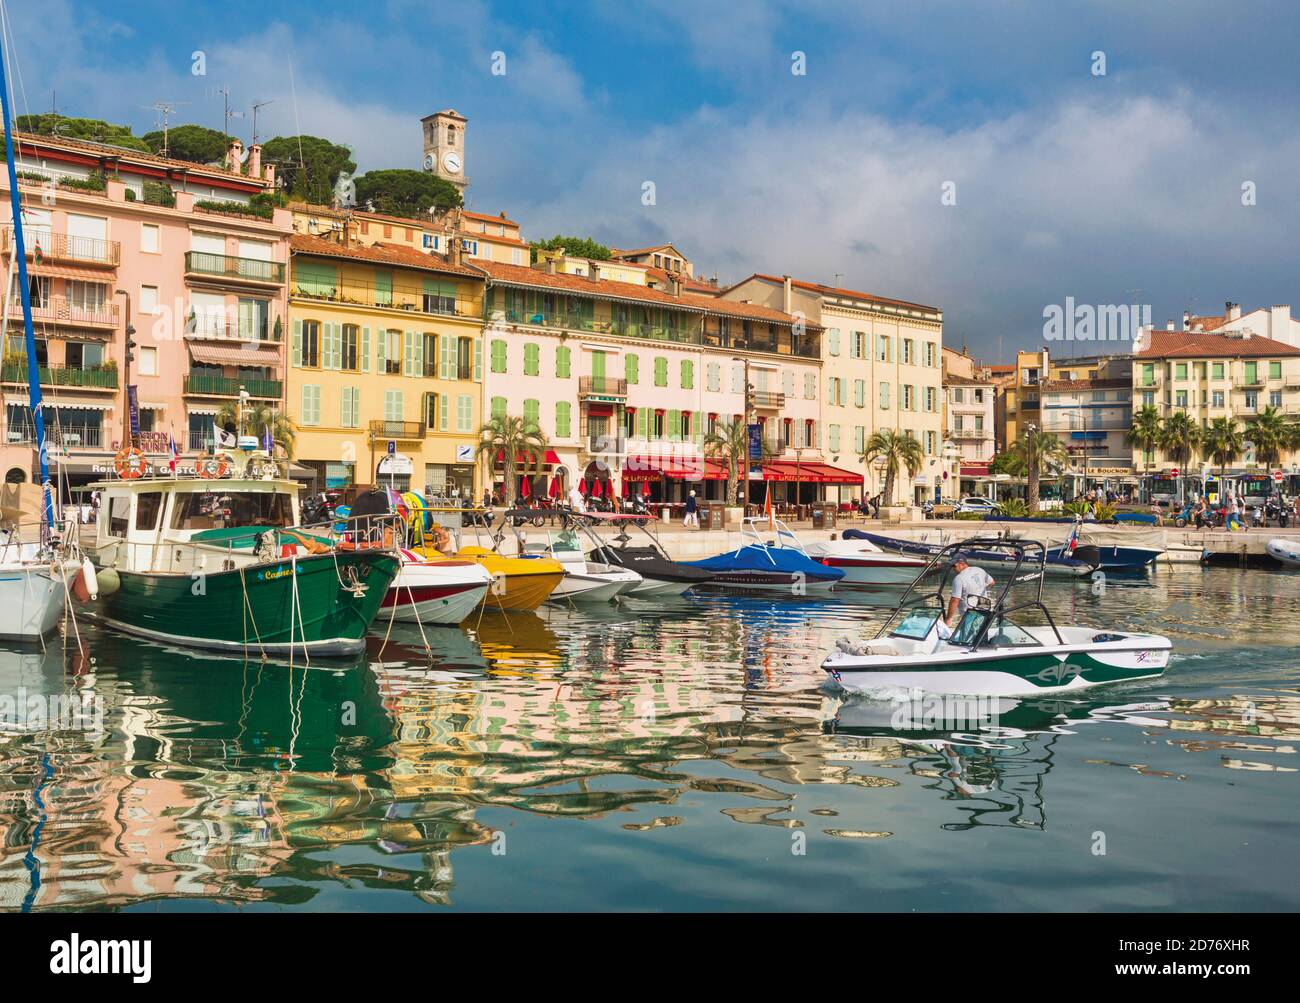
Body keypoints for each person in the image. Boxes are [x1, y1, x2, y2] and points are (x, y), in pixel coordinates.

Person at [946, 555, 995, 628]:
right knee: (982, 635)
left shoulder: (959, 579)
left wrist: (949, 618)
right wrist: (981, 588)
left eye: (954, 566)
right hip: (984, 612)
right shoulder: (979, 570)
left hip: (970, 616)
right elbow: (992, 582)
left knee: (967, 638)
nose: (953, 569)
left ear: (962, 564)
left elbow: (955, 600)